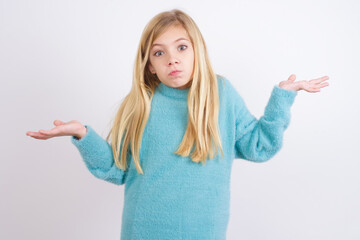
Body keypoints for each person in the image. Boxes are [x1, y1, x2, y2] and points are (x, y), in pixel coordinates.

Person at [26, 9, 329, 240]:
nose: (172, 59)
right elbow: (116, 169)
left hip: (204, 231)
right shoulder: (139, 104)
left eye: (181, 47)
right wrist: (83, 135)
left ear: (197, 50)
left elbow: (260, 146)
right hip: (142, 231)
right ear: (150, 65)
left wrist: (282, 98)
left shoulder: (221, 95)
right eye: (160, 53)